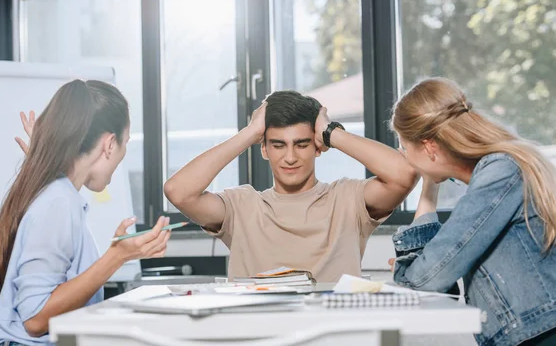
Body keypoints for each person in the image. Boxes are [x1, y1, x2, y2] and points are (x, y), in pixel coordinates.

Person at [0, 80, 171, 345]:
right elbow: (36, 319)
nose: (123, 153)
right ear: (110, 144)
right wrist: (117, 256)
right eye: (125, 143)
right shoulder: (57, 203)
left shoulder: (56, 194)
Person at [164, 90, 418, 282]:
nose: (290, 157)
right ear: (264, 148)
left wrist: (331, 132)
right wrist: (250, 132)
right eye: (277, 145)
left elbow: (404, 174)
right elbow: (178, 191)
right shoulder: (242, 206)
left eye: (301, 144)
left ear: (318, 147)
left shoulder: (347, 198)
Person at [389, 78, 556, 346]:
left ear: (429, 146)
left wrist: (411, 267)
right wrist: (429, 187)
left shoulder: (500, 173)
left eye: (405, 149)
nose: (406, 158)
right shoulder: (493, 175)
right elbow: (438, 286)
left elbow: (424, 280)